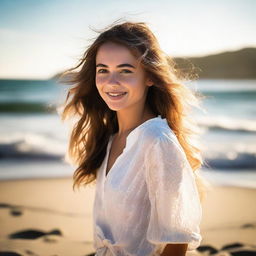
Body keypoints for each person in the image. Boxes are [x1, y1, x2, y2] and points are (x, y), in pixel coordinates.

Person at [60, 19, 209, 256]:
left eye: (125, 70)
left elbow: (177, 242)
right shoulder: (111, 138)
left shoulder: (156, 140)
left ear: (149, 76)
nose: (111, 82)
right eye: (103, 70)